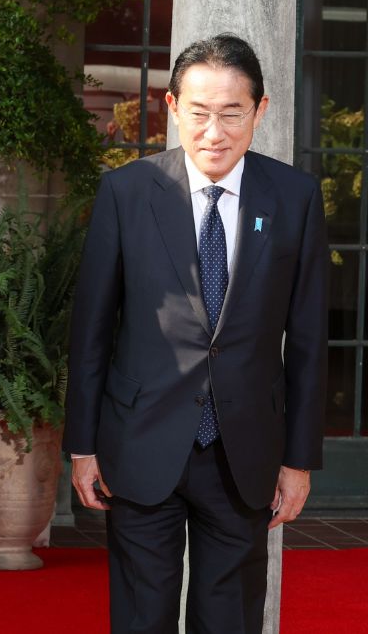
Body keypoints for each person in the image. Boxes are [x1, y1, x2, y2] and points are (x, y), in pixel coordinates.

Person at [66, 33, 327, 633]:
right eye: (200, 112)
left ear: (260, 110)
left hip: (243, 452)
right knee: (142, 617)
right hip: (140, 442)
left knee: (229, 618)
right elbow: (92, 331)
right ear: (173, 107)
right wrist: (82, 446)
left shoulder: (295, 199)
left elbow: (309, 343)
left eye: (232, 113)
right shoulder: (127, 192)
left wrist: (299, 460)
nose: (215, 132)